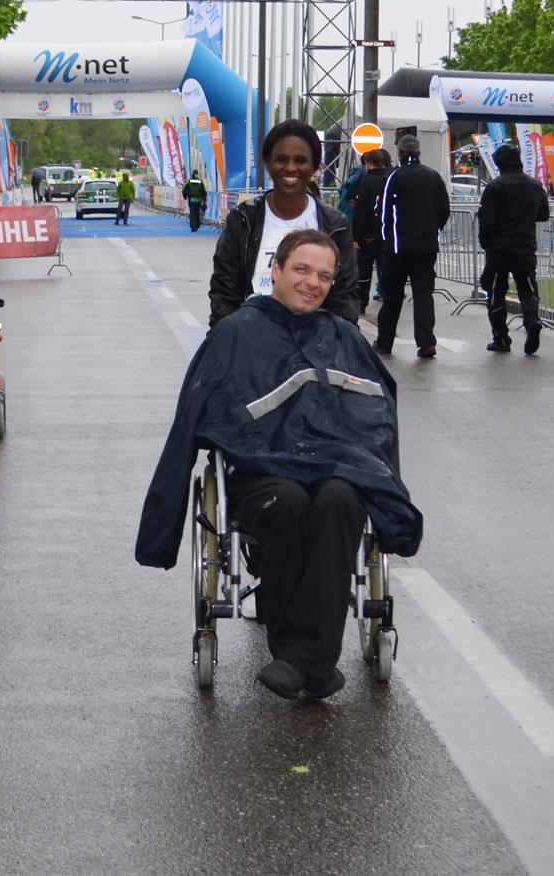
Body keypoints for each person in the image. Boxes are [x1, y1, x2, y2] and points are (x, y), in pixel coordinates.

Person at [137, 229, 422, 700]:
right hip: (260, 466)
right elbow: (188, 423)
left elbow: (378, 416)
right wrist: (159, 531)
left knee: (341, 503)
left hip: (334, 466)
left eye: (325, 276)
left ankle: (297, 660)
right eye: (302, 270)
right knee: (287, 503)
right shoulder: (236, 332)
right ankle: (314, 661)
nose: (313, 283)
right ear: (276, 269)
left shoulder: (342, 336)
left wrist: (386, 485)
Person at [209, 118, 360, 328]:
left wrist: (333, 346)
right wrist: (226, 342)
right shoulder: (242, 220)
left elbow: (345, 298)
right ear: (267, 163)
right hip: (251, 344)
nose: (290, 168)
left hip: (314, 350)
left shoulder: (336, 225)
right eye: (281, 159)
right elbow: (224, 293)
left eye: (300, 160)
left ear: (315, 166)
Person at [372, 134, 451, 359]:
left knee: (393, 295)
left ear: (399, 152)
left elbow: (382, 212)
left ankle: (385, 342)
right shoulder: (433, 177)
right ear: (419, 152)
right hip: (426, 247)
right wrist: (433, 229)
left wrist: (386, 240)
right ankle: (426, 343)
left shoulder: (393, 177)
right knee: (424, 294)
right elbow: (444, 208)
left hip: (397, 247)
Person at [478, 144, 551, 354]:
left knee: (494, 292)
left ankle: (501, 337)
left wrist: (486, 243)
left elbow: (487, 222)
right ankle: (532, 320)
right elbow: (543, 215)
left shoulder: (495, 187)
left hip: (499, 251)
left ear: (499, 164)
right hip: (525, 249)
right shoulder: (536, 186)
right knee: (527, 290)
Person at [350, 148, 393, 313]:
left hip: (369, 235)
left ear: (369, 163)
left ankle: (361, 303)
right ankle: (388, 297)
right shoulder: (390, 179)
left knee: (364, 272)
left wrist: (356, 237)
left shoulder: (367, 181)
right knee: (386, 269)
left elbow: (361, 211)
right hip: (387, 234)